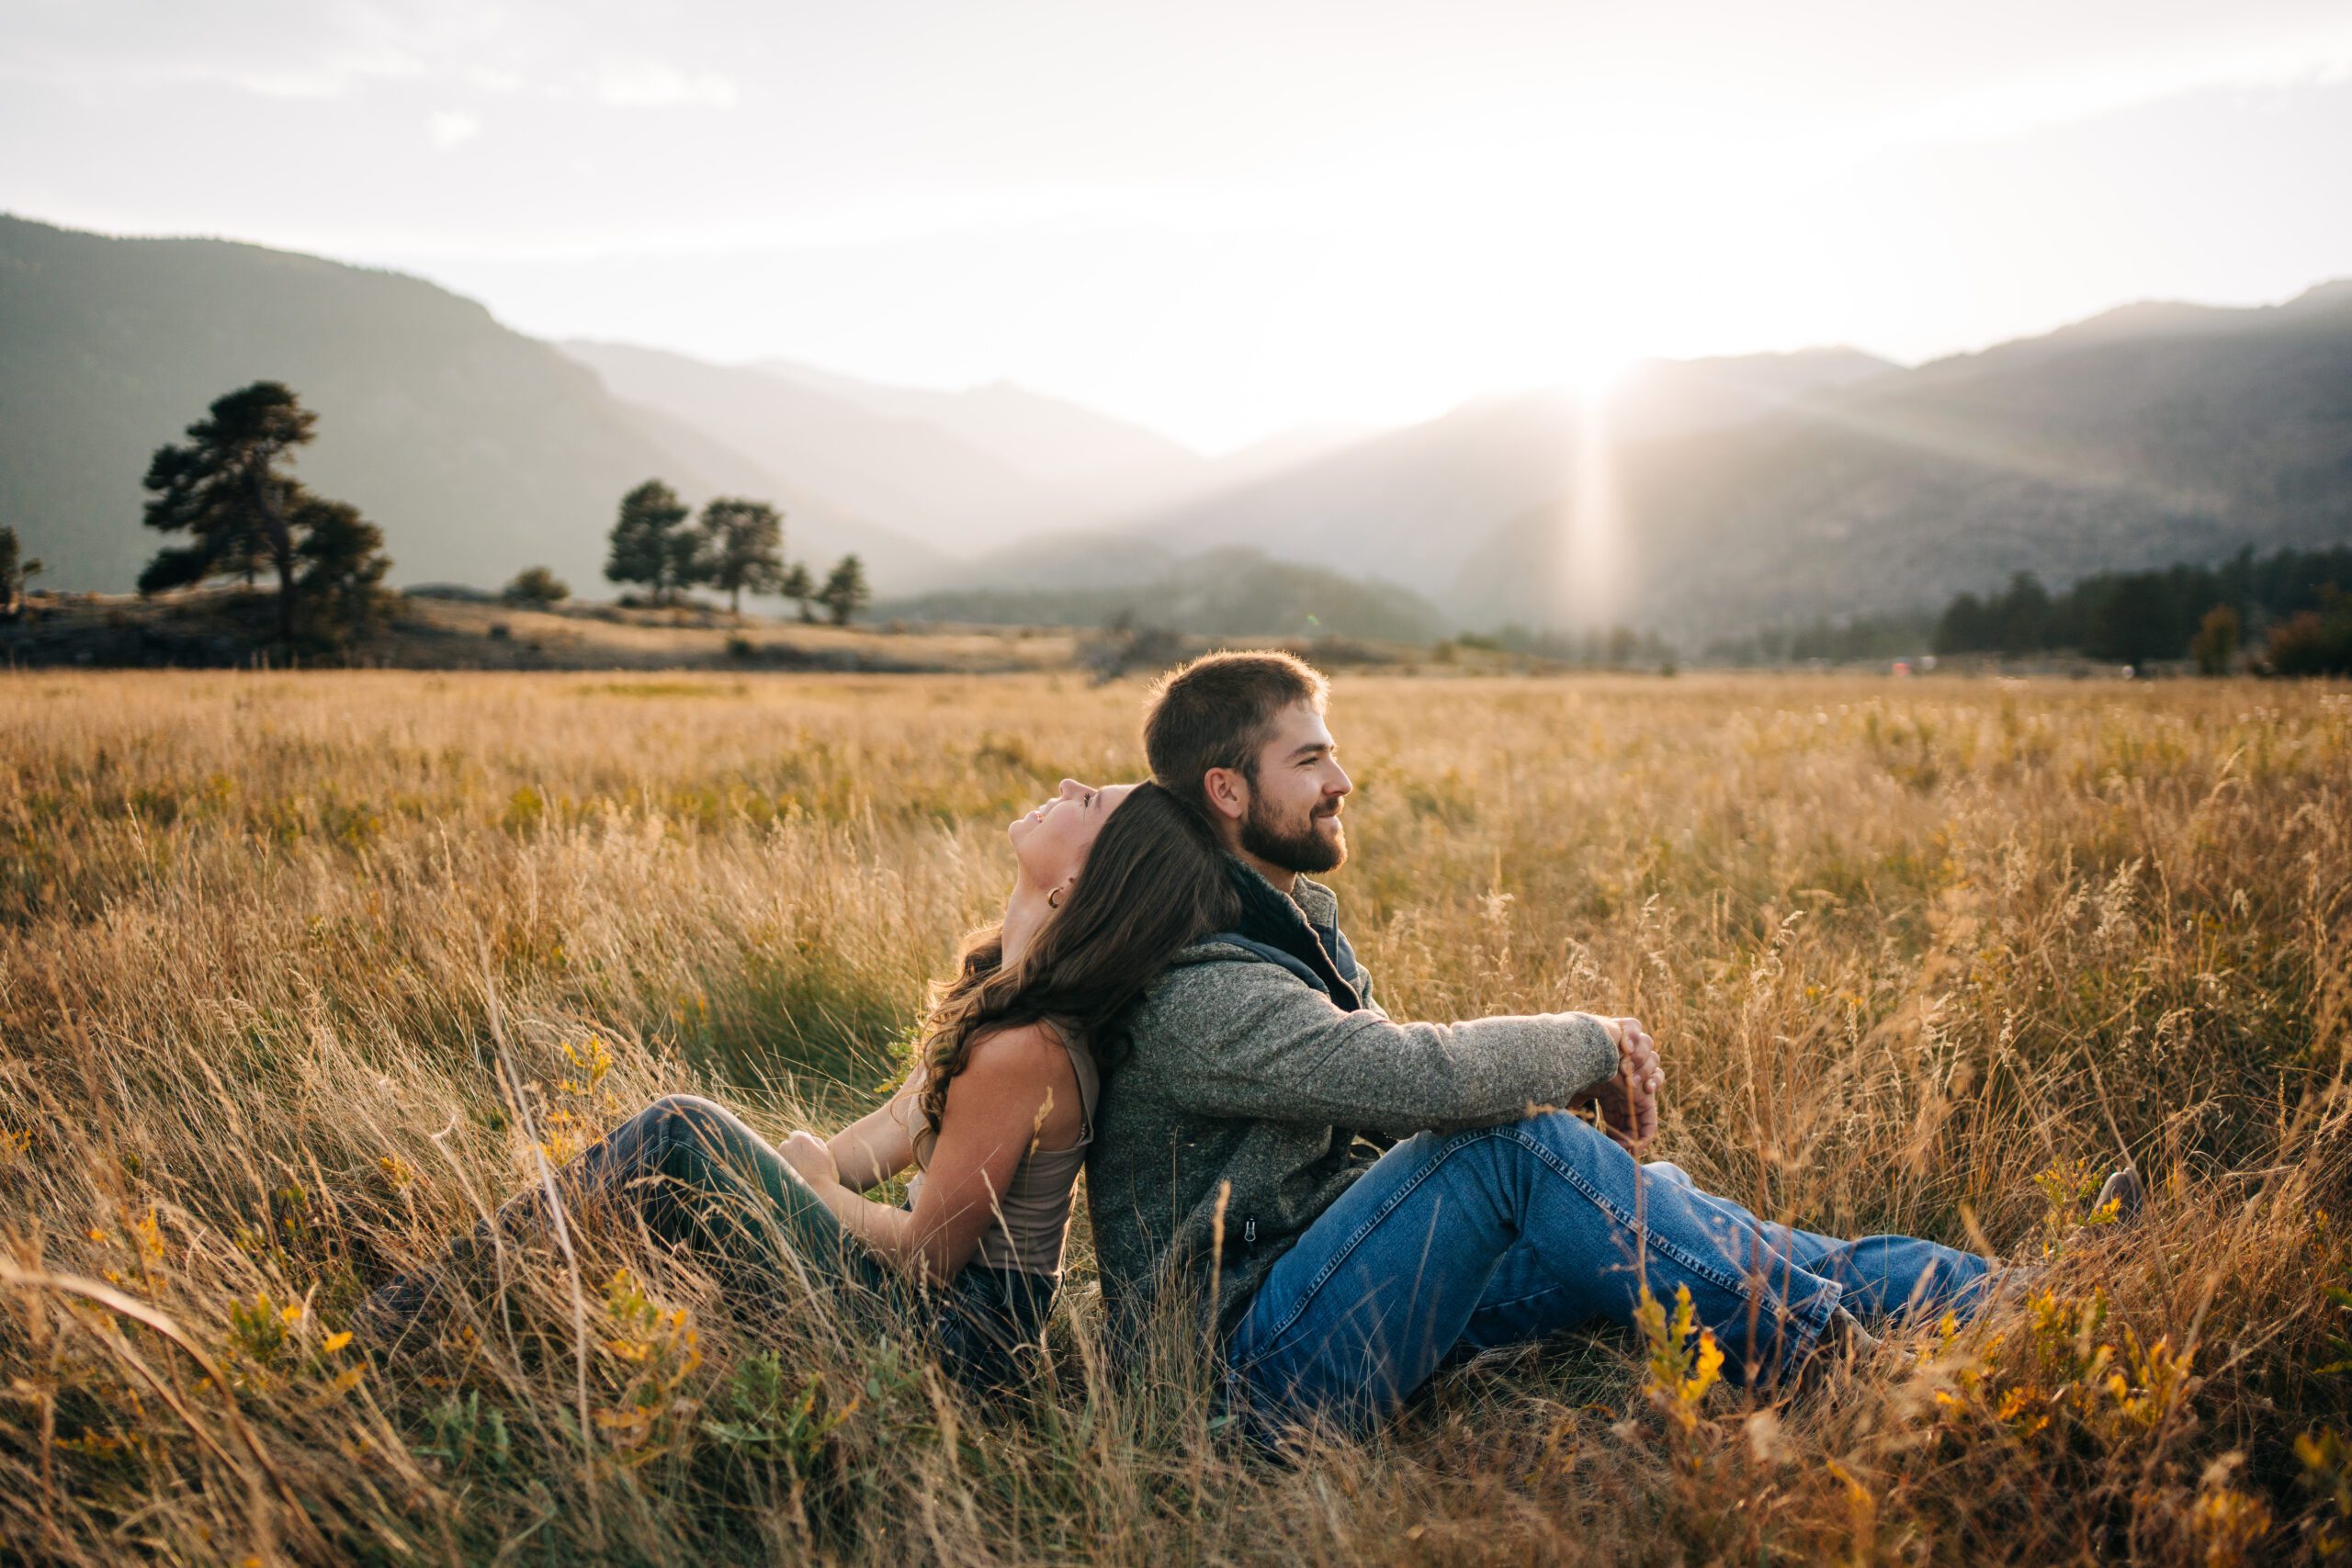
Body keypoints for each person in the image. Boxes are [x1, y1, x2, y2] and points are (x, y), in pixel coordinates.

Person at [1085, 650, 2135, 1436]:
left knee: (1676, 1217)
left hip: (1334, 1298)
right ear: (1228, 791)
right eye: (1309, 759)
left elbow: (1373, 1115)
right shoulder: (1202, 983)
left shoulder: (1290, 925)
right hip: (1240, 1380)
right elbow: (1405, 1080)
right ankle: (1838, 1367)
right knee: (1511, 1149)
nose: (1342, 778)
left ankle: (2024, 1302)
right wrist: (1593, 1040)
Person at [358, 777, 1239, 1391]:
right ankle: (489, 1318)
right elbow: (894, 1129)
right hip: (926, 1310)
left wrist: (809, 1187)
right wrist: (807, 1167)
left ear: (1080, 883)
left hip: (956, 1348)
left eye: (1087, 803)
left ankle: (394, 1329)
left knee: (681, 1132)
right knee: (691, 1157)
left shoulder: (1030, 1049)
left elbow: (931, 1257)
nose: (1068, 783)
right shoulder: (1003, 993)